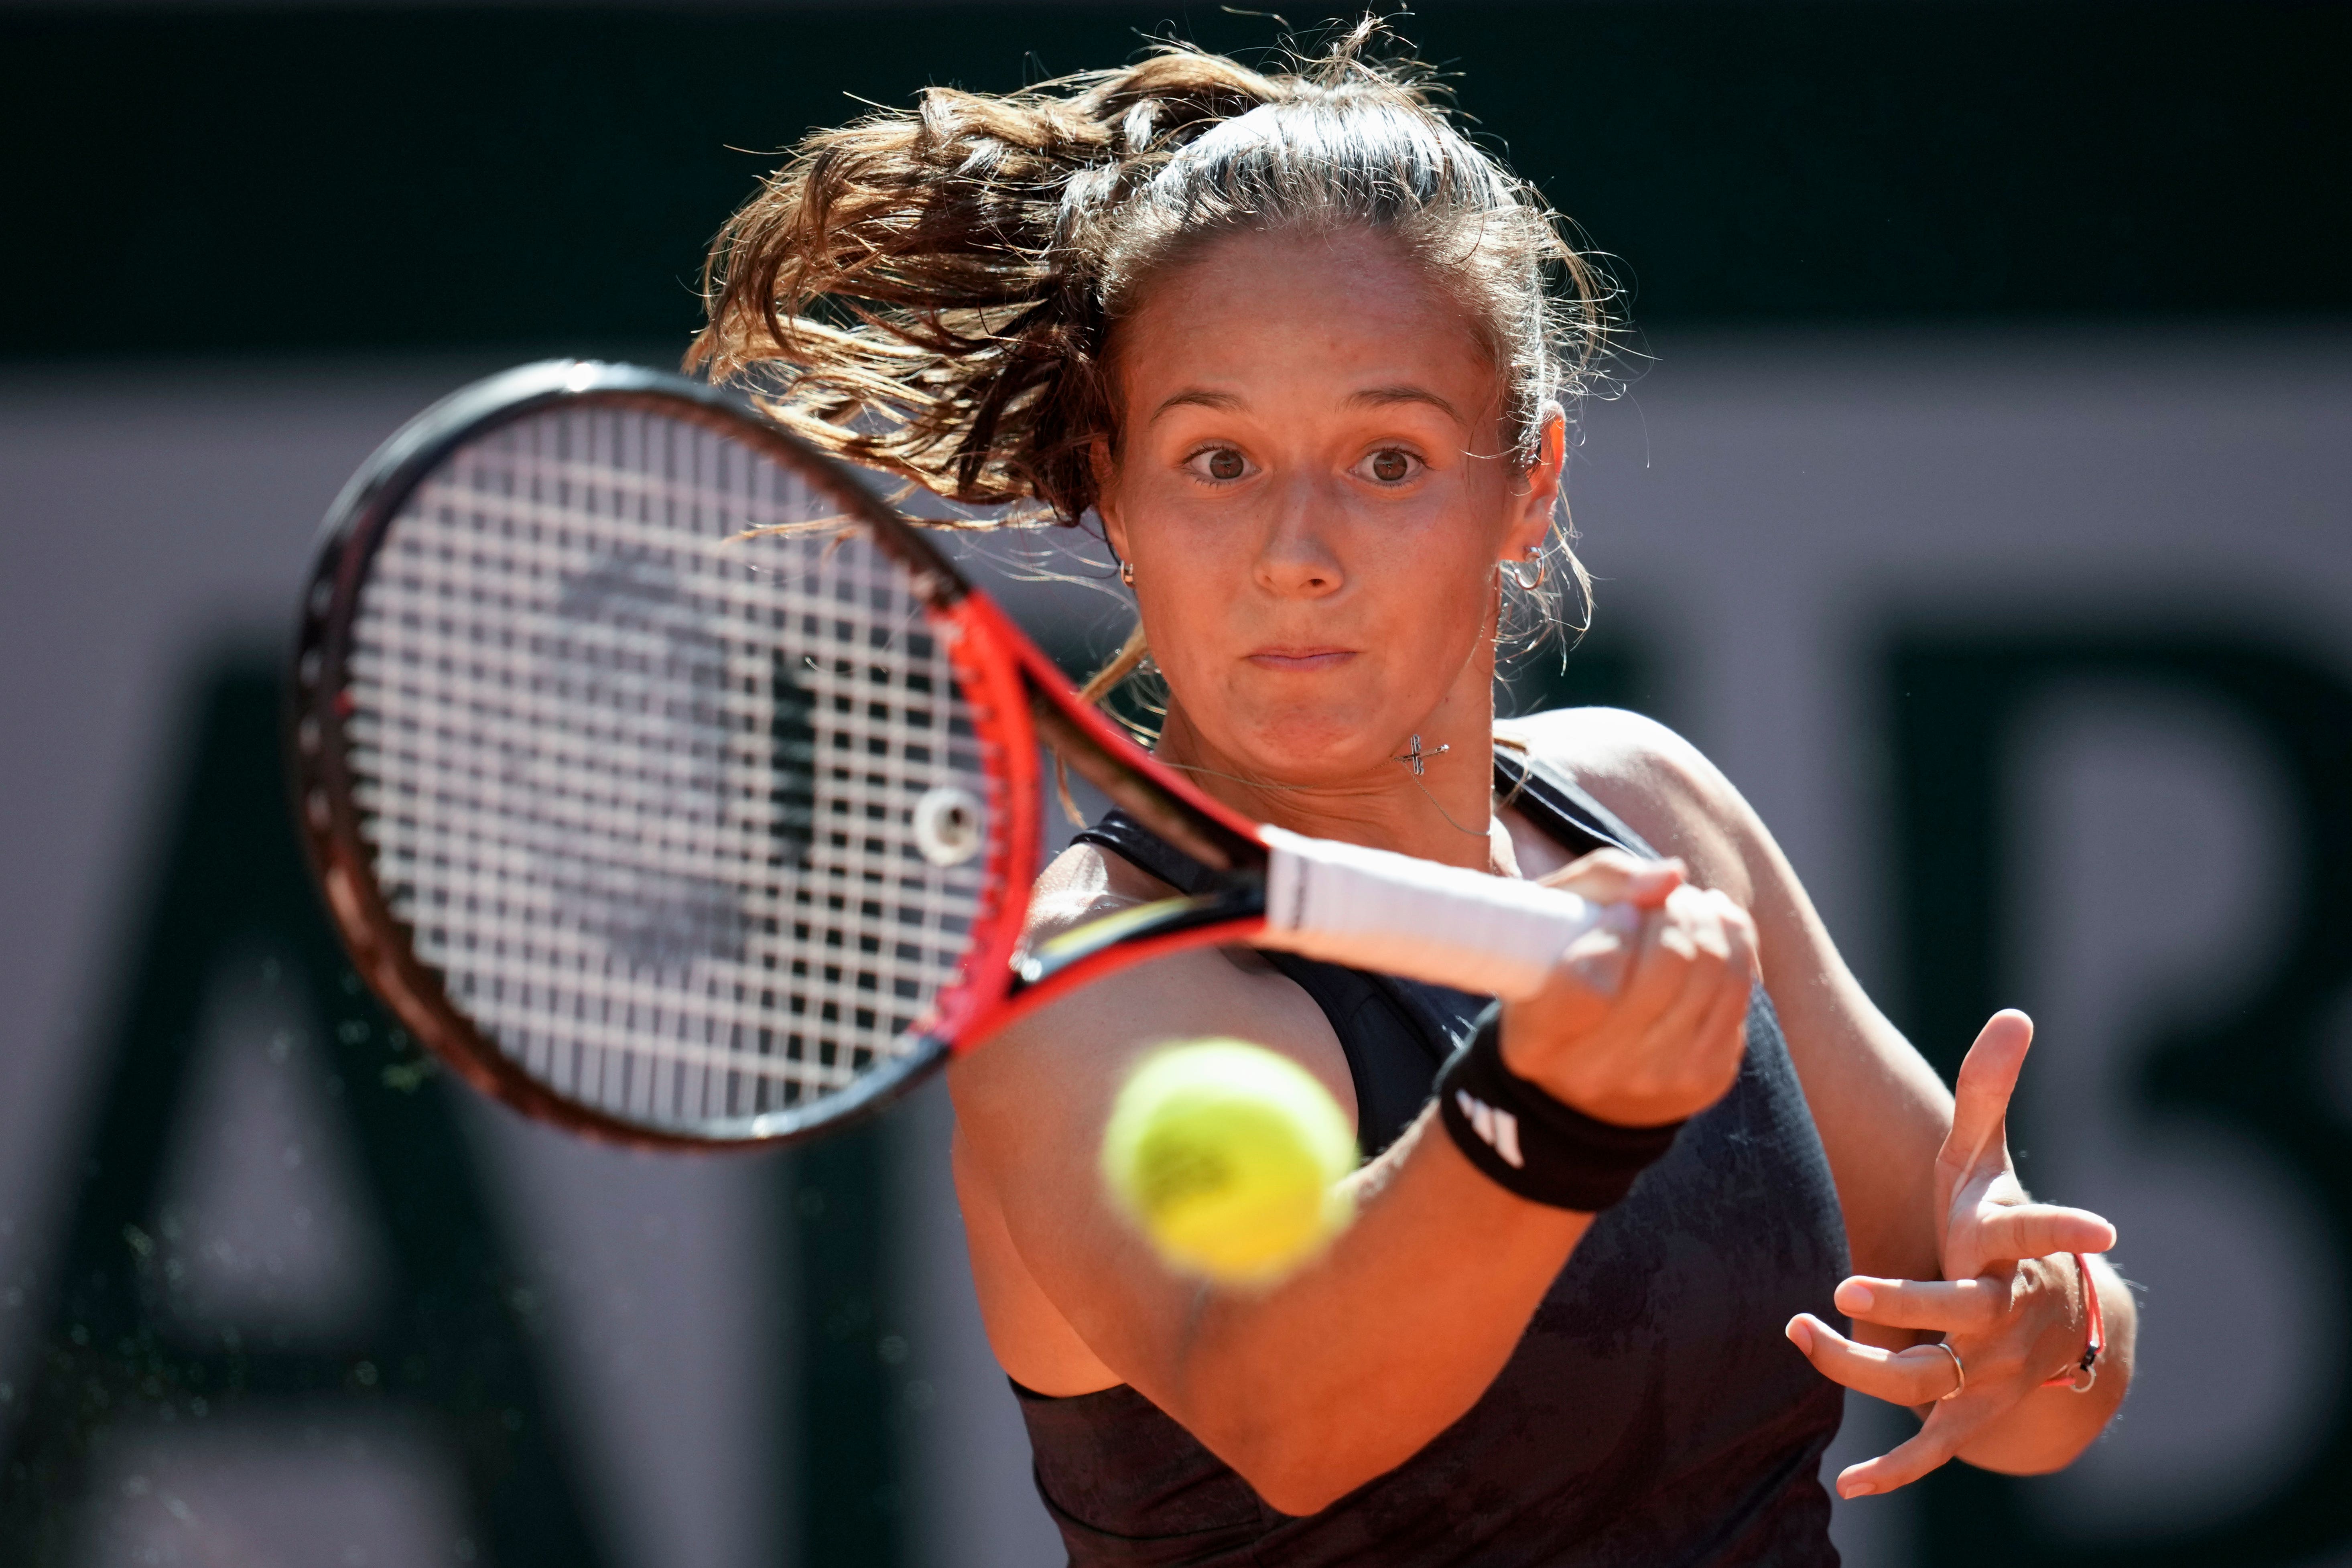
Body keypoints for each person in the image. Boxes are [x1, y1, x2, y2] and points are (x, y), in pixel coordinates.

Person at [691, 22, 2135, 1564]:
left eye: (1387, 460)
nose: (1295, 550)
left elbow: (2045, 1395)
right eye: (1218, 459)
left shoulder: (1656, 807)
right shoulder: (1084, 985)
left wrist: (2043, 1316)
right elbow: (1293, 1416)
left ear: (1528, 482)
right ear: (1113, 488)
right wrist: (1548, 1104)